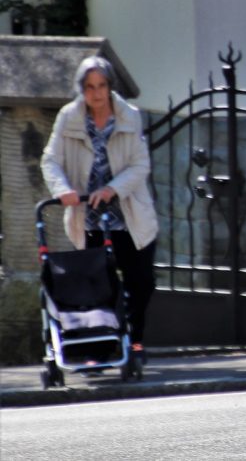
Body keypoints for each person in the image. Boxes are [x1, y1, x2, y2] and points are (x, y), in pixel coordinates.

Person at [42, 56, 159, 361]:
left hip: (129, 215)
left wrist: (112, 189)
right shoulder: (69, 117)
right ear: (81, 89)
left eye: (102, 86)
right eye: (89, 87)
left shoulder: (128, 116)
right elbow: (50, 159)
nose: (96, 93)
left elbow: (140, 164)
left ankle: (135, 342)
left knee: (141, 282)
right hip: (90, 219)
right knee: (98, 287)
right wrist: (62, 189)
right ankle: (104, 348)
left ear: (110, 87)